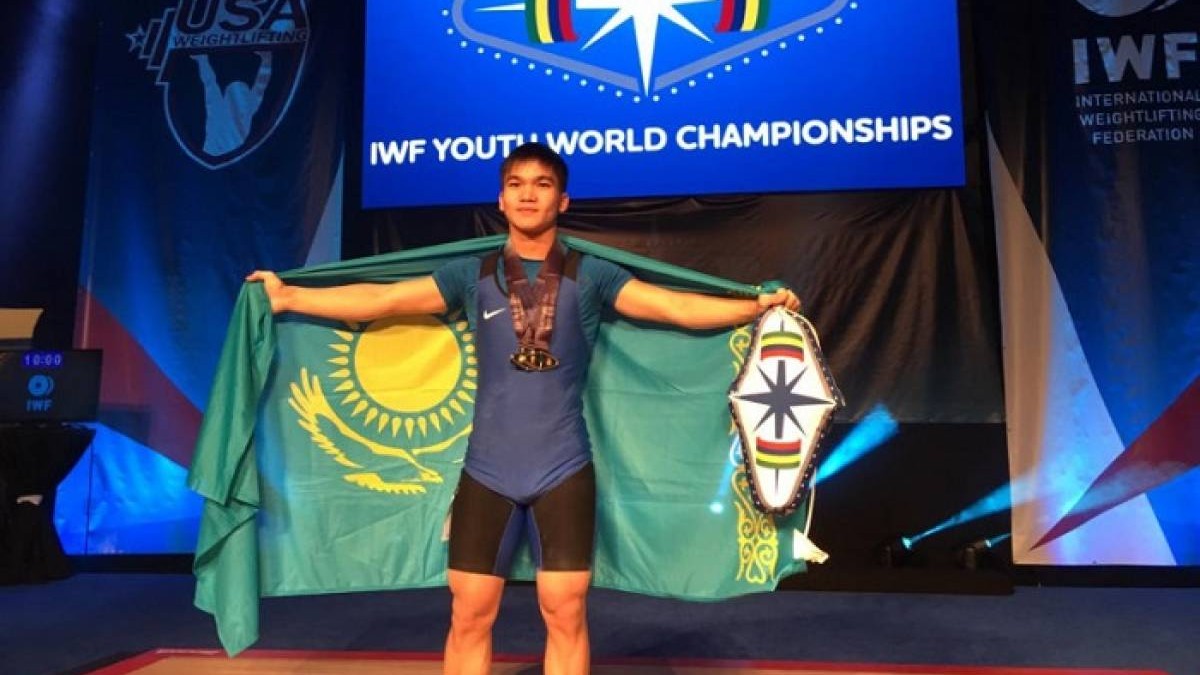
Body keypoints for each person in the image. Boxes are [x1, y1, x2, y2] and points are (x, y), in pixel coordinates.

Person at [247, 142, 799, 675]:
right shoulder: (472, 274)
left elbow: (672, 307)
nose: (528, 195)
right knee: (469, 615)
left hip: (564, 470)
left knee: (565, 614)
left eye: (542, 185)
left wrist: (754, 307)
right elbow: (383, 300)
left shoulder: (593, 274)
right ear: (501, 199)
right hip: (486, 472)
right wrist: (290, 297)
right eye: (516, 184)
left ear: (563, 200)